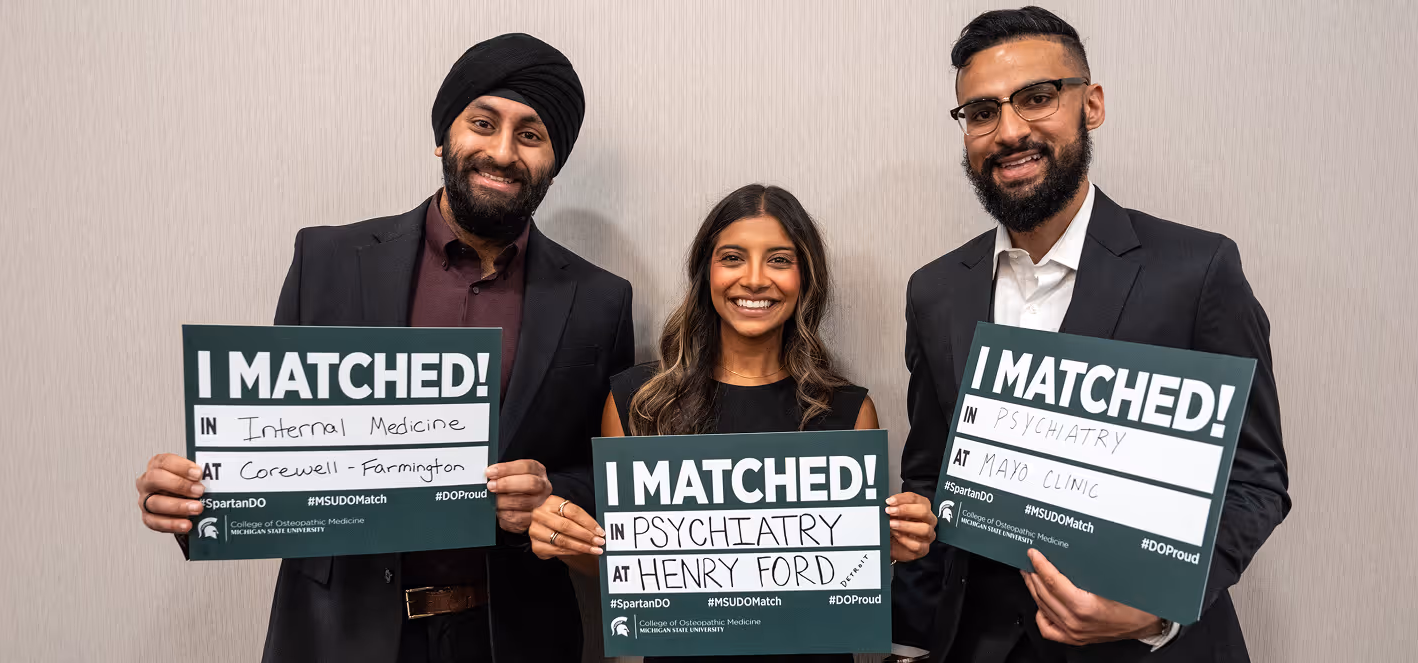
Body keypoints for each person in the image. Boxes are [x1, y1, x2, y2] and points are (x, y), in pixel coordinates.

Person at [133, 33, 634, 662]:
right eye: (483, 123)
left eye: (530, 135)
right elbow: (273, 443)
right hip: (336, 632)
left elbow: (614, 480)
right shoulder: (329, 261)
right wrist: (194, 500)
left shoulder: (600, 299)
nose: (503, 152)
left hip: (513, 634)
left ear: (553, 161)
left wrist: (550, 491)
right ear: (443, 135)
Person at [889, 7, 1289, 663]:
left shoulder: (1197, 272)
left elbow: (1255, 483)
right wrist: (915, 523)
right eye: (982, 112)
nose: (1010, 130)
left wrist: (1155, 608)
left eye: (1037, 98)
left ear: (1091, 103)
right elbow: (933, 475)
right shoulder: (934, 291)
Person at [527, 184, 939, 662]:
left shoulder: (848, 413)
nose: (756, 279)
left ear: (806, 278)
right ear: (706, 272)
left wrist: (896, 546)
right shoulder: (638, 403)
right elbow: (622, 572)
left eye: (780, 260)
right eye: (733, 258)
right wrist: (561, 538)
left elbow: (851, 574)